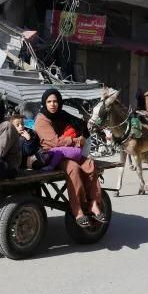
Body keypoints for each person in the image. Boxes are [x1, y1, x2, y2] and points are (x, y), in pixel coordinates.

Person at [34, 89, 106, 228]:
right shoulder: (41, 120)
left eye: (55, 101)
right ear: (44, 103)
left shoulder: (61, 115)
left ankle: (94, 203)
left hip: (70, 152)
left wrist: (79, 137)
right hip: (53, 155)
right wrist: (75, 140)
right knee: (73, 168)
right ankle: (78, 210)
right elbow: (54, 142)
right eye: (49, 102)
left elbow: (78, 126)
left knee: (89, 164)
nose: (52, 104)